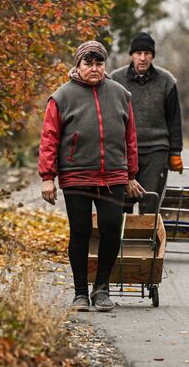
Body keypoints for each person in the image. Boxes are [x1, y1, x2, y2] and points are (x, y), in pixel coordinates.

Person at [38, 41, 144, 312]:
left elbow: (129, 138)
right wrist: (47, 177)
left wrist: (131, 174)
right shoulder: (61, 97)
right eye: (89, 63)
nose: (94, 68)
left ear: (104, 65)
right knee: (81, 232)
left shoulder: (120, 94)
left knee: (110, 230)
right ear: (78, 65)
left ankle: (102, 289)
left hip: (114, 176)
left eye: (99, 63)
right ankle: (80, 293)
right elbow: (49, 139)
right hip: (76, 175)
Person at [111, 32, 183, 214]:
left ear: (153, 56)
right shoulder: (115, 80)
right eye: (138, 53)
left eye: (147, 53)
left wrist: (175, 151)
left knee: (150, 203)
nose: (142, 58)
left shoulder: (166, 81)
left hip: (156, 150)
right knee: (121, 204)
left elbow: (174, 118)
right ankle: (120, 242)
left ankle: (147, 242)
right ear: (131, 55)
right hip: (123, 151)